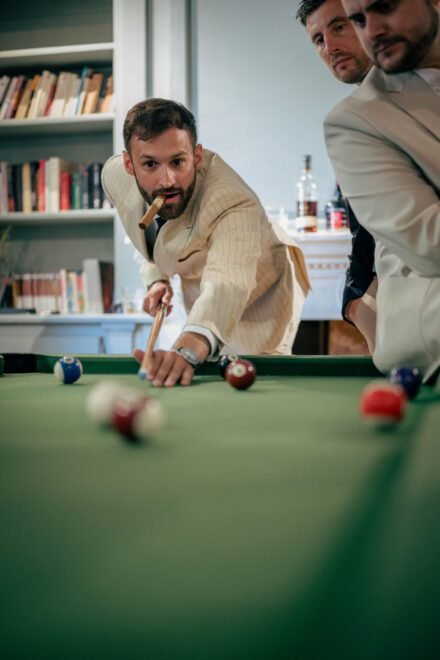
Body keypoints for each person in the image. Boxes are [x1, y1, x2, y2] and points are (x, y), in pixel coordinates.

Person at [102, 98, 310, 387]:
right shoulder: (114, 177)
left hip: (264, 287)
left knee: (251, 375)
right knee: (210, 362)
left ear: (196, 156)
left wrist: (190, 344)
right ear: (129, 164)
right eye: (150, 164)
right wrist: (157, 278)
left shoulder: (232, 201)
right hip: (200, 274)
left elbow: (227, 281)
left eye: (178, 162)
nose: (167, 180)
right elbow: (151, 234)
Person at [324, 0, 440, 382]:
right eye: (358, 19)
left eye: (385, 7)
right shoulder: (354, 121)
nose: (371, 31)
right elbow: (429, 241)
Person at [297, 0, 377, 352]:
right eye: (318, 39)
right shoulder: (350, 118)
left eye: (340, 26)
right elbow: (364, 224)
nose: (330, 47)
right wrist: (355, 295)